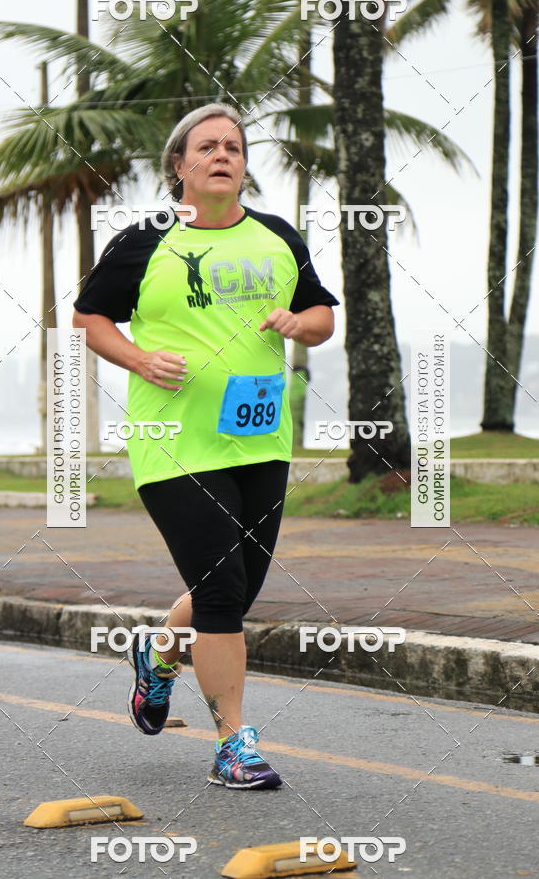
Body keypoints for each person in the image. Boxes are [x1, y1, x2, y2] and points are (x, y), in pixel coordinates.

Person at [73, 102, 340, 790]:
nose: (224, 154)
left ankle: (159, 654)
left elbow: (322, 316)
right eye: (208, 146)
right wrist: (136, 359)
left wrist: (298, 322)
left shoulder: (278, 237)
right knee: (221, 591)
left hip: (260, 440)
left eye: (234, 146)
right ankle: (233, 747)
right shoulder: (145, 240)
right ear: (180, 166)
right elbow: (88, 317)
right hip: (174, 443)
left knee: (236, 588)